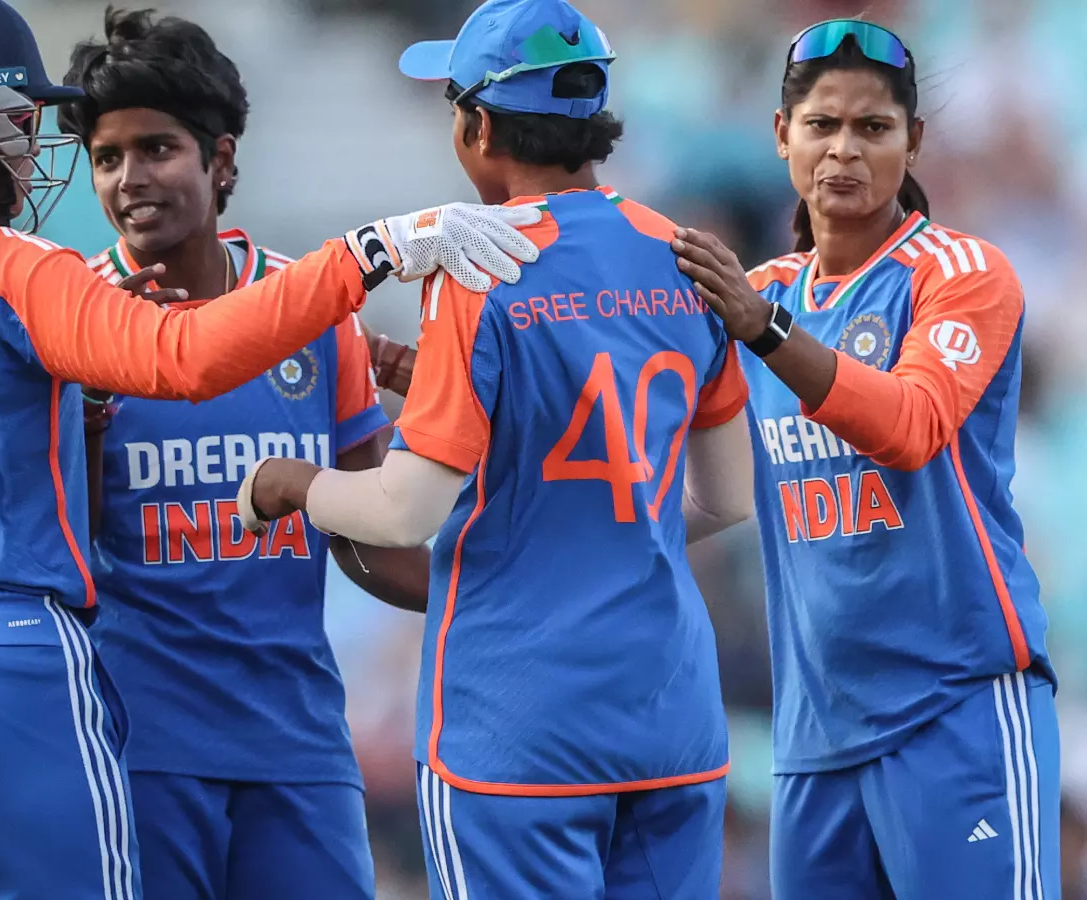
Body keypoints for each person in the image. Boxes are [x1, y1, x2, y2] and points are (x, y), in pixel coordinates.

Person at [0, 0, 546, 896]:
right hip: (32, 689)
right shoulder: (22, 275)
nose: (38, 144)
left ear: (222, 158)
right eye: (26, 118)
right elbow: (187, 354)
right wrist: (374, 249)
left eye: (156, 148)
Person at [234, 1, 755, 897]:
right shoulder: (684, 254)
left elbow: (404, 511)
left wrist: (290, 485)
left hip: (517, 729)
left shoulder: (480, 270)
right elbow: (725, 500)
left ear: (478, 127)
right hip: (671, 716)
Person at [670, 18, 1059, 900]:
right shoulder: (755, 296)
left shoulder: (961, 273)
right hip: (815, 738)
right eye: (822, 125)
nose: (845, 150)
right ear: (781, 136)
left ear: (913, 141)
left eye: (874, 128)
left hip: (956, 712)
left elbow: (912, 424)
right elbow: (619, 412)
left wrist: (765, 334)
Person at [54, 9, 429, 899]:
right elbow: (50, 539)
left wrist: (490, 588)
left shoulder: (313, 313)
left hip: (296, 746)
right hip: (137, 751)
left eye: (157, 149)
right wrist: (93, 417)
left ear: (221, 161)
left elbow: (368, 534)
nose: (129, 180)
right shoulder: (69, 321)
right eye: (107, 158)